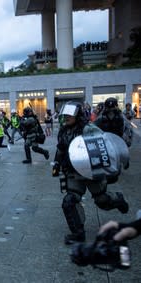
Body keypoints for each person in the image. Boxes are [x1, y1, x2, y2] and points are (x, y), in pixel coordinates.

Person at [52, 101, 129, 245]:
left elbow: (105, 145)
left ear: (78, 114)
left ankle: (118, 200)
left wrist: (112, 166)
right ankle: (78, 233)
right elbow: (61, 148)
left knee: (102, 201)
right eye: (65, 114)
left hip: (91, 171)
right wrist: (56, 163)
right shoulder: (63, 130)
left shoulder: (88, 129)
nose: (67, 117)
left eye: (70, 114)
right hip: (73, 172)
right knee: (69, 202)